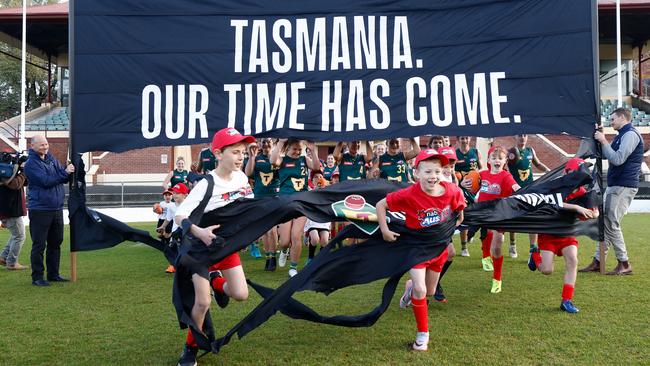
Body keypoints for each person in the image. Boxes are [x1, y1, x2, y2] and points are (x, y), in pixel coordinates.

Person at [173, 127, 255, 366]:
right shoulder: (206, 183)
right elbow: (180, 215)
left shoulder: (241, 178)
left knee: (240, 294)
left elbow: (246, 209)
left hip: (226, 247)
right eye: (235, 152)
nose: (241, 157)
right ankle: (190, 348)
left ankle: (217, 282)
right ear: (218, 154)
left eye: (243, 152)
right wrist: (199, 232)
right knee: (203, 303)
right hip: (201, 250)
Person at [376, 148, 465, 351]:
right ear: (416, 173)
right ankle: (422, 336)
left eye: (437, 171)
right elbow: (381, 205)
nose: (433, 176)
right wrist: (385, 230)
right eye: (427, 171)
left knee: (430, 291)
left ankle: (409, 290)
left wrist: (459, 215)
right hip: (416, 248)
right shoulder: (408, 194)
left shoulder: (452, 190)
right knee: (421, 289)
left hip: (439, 249)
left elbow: (459, 206)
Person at [528, 158, 598, 313]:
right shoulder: (557, 187)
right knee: (547, 270)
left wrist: (593, 213)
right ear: (567, 173)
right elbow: (548, 202)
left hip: (567, 233)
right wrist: (575, 207)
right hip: (549, 235)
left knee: (573, 260)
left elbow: (590, 212)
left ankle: (566, 300)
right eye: (577, 173)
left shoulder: (582, 193)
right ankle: (535, 256)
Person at [580, 108, 644, 275]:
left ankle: (624, 263)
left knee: (611, 222)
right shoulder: (622, 134)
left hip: (623, 186)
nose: (611, 121)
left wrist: (603, 140)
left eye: (613, 118)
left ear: (623, 117)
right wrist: (602, 138)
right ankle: (598, 260)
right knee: (607, 222)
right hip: (617, 185)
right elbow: (610, 154)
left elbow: (617, 159)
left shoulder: (630, 134)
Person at [24, 135, 74, 286]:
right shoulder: (31, 164)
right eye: (41, 145)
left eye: (46, 144)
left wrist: (67, 172)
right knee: (39, 245)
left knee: (55, 243)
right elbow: (46, 181)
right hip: (40, 209)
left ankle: (53, 274)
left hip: (56, 208)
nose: (45, 147)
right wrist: (64, 172)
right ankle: (37, 277)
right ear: (32, 146)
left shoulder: (51, 159)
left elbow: (62, 178)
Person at [271, 138, 320, 277]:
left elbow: (316, 167)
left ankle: (293, 267)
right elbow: (273, 161)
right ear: (288, 149)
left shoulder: (304, 160)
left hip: (302, 202)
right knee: (285, 241)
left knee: (296, 235)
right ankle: (284, 250)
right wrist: (280, 142)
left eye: (300, 149)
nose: (298, 151)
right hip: (285, 202)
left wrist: (312, 148)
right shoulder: (282, 160)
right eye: (295, 149)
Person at [475, 147, 520, 293]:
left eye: (500, 158)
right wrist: (464, 185)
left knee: (497, 245)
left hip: (500, 215)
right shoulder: (481, 175)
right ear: (488, 160)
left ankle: (497, 279)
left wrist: (523, 192)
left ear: (505, 161)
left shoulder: (506, 176)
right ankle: (485, 255)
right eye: (494, 158)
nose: (497, 160)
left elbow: (515, 187)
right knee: (487, 234)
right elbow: (469, 186)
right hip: (484, 213)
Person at [506, 134, 550, 259]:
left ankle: (533, 249)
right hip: (515, 189)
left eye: (525, 135)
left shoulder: (531, 150)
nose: (522, 138)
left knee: (533, 217)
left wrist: (548, 171)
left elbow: (538, 164)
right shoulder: (511, 152)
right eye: (520, 135)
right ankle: (513, 244)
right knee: (513, 218)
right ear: (515, 137)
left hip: (530, 189)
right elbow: (505, 167)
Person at [245, 138, 280, 271]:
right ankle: (268, 256)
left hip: (274, 196)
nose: (265, 144)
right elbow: (248, 173)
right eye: (263, 142)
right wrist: (251, 156)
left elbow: (279, 170)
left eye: (268, 142)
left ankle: (273, 257)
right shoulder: (257, 158)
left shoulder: (276, 157)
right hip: (259, 196)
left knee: (272, 230)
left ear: (273, 143)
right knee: (264, 230)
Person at [455, 136, 482, 257]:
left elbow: (481, 168)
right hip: (462, 188)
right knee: (464, 215)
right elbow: (452, 172)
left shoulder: (475, 152)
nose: (464, 140)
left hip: (475, 188)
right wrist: (460, 180)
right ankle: (464, 247)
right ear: (458, 140)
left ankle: (471, 234)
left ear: (469, 139)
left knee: (478, 213)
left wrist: (475, 176)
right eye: (462, 138)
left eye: (466, 138)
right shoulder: (455, 154)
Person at [0, 157, 28, 270]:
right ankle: (12, 263)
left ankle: (3, 257)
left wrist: (20, 170)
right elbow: (15, 184)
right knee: (20, 236)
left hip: (9, 210)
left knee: (16, 234)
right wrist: (23, 172)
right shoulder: (5, 172)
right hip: (10, 210)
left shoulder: (8, 171)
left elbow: (23, 183)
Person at [304, 171, 331, 266]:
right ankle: (310, 258)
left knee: (325, 241)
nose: (319, 178)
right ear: (312, 180)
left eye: (320, 176)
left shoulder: (328, 192)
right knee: (315, 239)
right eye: (316, 177)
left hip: (324, 220)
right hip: (313, 220)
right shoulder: (310, 192)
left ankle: (320, 258)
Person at [155, 189, 174, 273]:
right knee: (159, 235)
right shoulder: (161, 203)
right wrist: (156, 209)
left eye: (169, 195)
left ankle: (168, 244)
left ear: (171, 196)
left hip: (169, 221)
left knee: (167, 235)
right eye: (166, 195)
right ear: (164, 196)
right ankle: (165, 243)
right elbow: (155, 210)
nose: (167, 196)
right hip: (161, 220)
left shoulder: (173, 204)